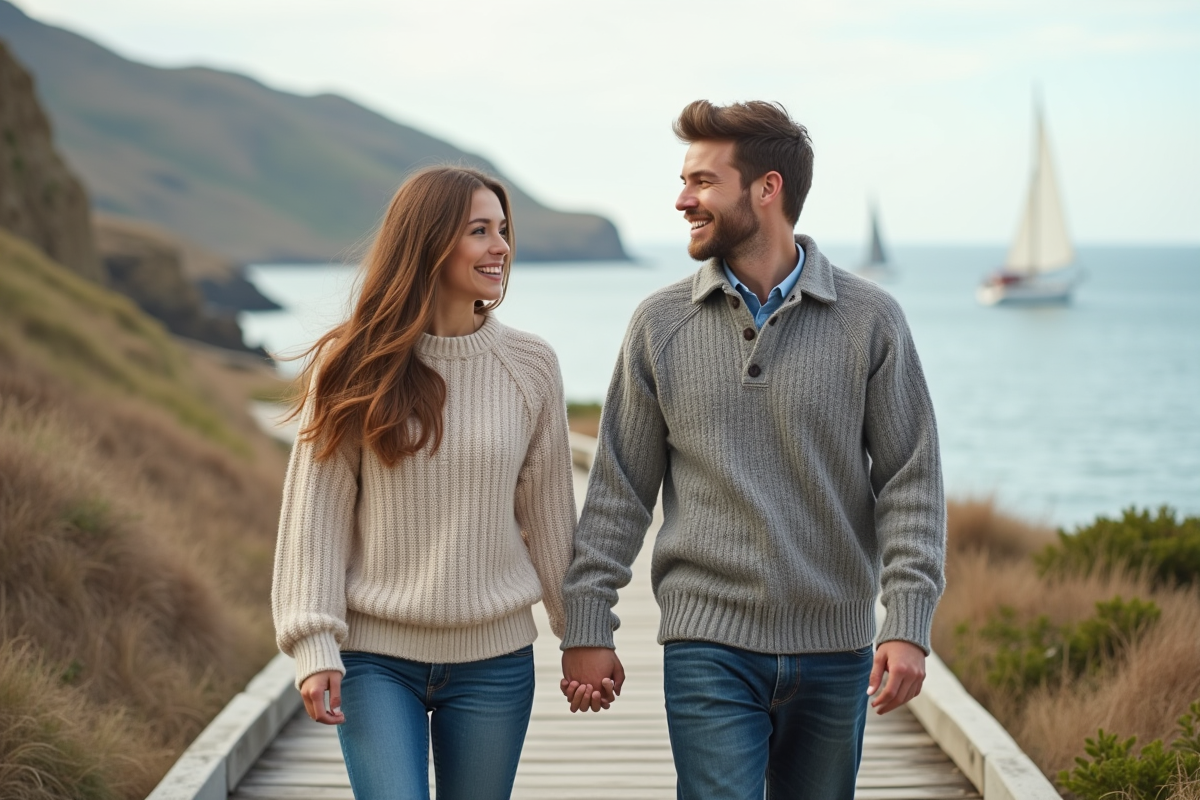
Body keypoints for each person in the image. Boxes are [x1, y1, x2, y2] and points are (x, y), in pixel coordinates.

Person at [559, 100, 947, 799]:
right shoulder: (659, 324)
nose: (683, 200)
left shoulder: (872, 321)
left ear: (767, 189)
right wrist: (589, 620)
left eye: (703, 181)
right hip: (707, 642)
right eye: (685, 181)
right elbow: (619, 488)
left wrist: (909, 623)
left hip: (836, 647)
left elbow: (910, 481)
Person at [271, 166, 579, 800]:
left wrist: (582, 633)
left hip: (494, 662)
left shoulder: (530, 366)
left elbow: (550, 515)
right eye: (479, 231)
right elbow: (315, 518)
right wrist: (314, 644)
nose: (501, 247)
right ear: (429, 243)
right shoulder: (353, 365)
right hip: (373, 661)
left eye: (503, 230)